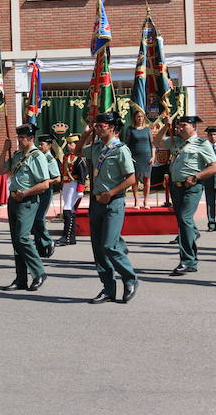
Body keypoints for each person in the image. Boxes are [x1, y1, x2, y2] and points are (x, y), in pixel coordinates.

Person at [76, 112, 139, 304]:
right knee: (98, 248)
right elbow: (78, 151)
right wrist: (85, 133)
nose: (98, 127)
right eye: (97, 125)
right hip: (96, 202)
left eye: (101, 125)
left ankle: (130, 279)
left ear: (112, 127)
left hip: (113, 202)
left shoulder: (121, 150)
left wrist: (110, 193)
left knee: (109, 245)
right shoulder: (96, 147)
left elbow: (131, 178)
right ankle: (108, 288)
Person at [156, 115, 216, 276]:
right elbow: (156, 141)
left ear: (193, 127)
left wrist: (196, 177)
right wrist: (166, 126)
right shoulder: (176, 141)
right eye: (178, 125)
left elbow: (214, 167)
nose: (180, 128)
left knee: (185, 219)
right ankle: (192, 243)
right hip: (176, 187)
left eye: (183, 125)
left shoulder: (202, 144)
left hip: (192, 187)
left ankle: (187, 261)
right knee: (184, 223)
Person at [0, 124, 52, 291]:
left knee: (22, 238)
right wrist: (4, 149)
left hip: (27, 201)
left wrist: (26, 192)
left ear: (31, 138)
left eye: (23, 138)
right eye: (19, 137)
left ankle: (39, 272)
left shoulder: (37, 157)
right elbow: (0, 170)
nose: (20, 140)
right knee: (16, 242)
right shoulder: (18, 155)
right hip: (13, 200)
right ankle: (21, 279)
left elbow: (45, 184)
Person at [32, 134, 61, 258]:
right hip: (36, 191)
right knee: (34, 219)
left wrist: (45, 183)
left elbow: (57, 179)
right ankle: (40, 245)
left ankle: (48, 241)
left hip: (45, 192)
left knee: (39, 218)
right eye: (39, 144)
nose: (39, 146)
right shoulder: (39, 157)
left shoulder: (50, 160)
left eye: (42, 144)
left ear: (49, 146)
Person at [56, 134, 87, 246]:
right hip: (67, 185)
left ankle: (67, 236)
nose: (69, 146)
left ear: (77, 144)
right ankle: (70, 237)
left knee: (68, 208)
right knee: (70, 209)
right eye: (68, 143)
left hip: (74, 184)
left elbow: (83, 174)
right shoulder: (66, 157)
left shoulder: (79, 158)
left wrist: (80, 190)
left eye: (71, 143)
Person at [125, 110, 155, 209]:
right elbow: (127, 145)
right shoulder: (130, 129)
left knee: (147, 180)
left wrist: (153, 156)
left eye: (142, 116)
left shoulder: (147, 130)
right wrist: (129, 157)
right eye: (138, 116)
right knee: (135, 181)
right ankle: (137, 201)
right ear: (134, 118)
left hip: (147, 157)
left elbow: (152, 144)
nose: (140, 118)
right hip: (135, 158)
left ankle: (146, 200)